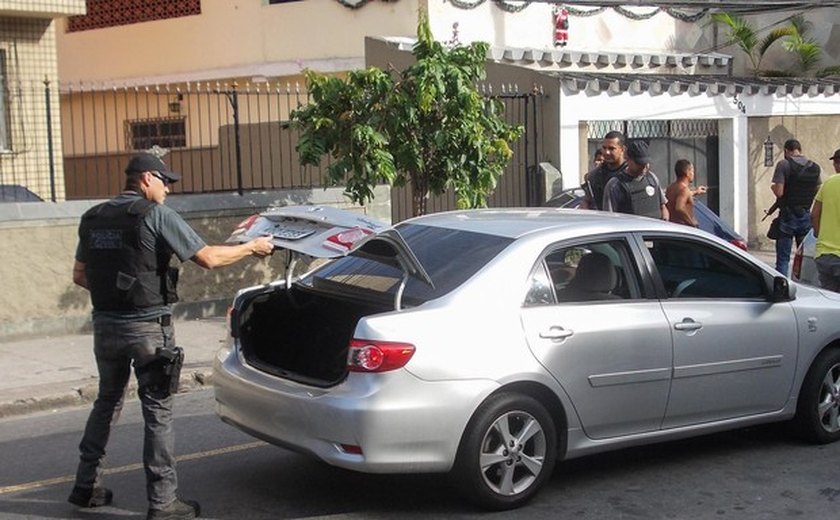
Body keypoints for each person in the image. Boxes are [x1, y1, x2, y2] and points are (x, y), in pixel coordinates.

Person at [68, 153, 275, 520]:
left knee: (107, 402)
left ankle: (85, 487)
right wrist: (251, 248)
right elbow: (208, 258)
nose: (168, 189)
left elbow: (80, 275)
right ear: (146, 179)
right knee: (158, 411)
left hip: (106, 327)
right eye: (165, 181)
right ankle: (163, 503)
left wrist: (116, 294)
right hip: (149, 327)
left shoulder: (94, 217)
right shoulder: (155, 215)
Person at [770, 138, 821, 276]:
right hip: (805, 216)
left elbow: (779, 192)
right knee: (805, 258)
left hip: (788, 217)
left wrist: (773, 187)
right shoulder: (815, 167)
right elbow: (818, 191)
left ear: (786, 150)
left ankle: (781, 287)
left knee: (783, 259)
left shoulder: (784, 165)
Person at [602, 139, 668, 220]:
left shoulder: (652, 178)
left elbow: (663, 206)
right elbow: (609, 218)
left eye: (646, 163)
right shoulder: (615, 185)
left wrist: (665, 219)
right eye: (639, 163)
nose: (644, 167)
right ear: (628, 159)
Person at [809, 148, 840, 291]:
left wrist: (818, 234)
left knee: (831, 302)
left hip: (824, 255)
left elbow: (814, 214)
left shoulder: (827, 184)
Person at [580, 131, 627, 210]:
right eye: (604, 148)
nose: (607, 152)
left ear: (622, 149)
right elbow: (586, 201)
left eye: (612, 148)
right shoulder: (595, 176)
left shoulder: (630, 173)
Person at [666, 159, 707, 227]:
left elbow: (681, 196)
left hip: (672, 226)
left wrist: (696, 191)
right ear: (687, 173)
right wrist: (691, 222)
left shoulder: (670, 188)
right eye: (692, 171)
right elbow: (679, 208)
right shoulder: (684, 189)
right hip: (684, 228)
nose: (693, 174)